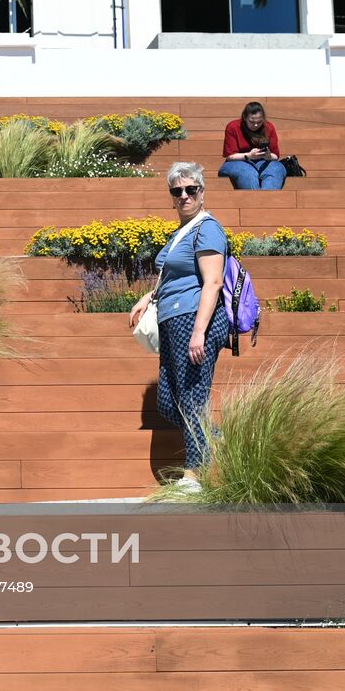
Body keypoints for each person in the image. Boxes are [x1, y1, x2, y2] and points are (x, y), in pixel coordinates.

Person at [129, 163, 230, 492]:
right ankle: (218, 439)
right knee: (168, 404)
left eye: (191, 190)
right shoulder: (180, 234)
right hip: (172, 321)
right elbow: (172, 277)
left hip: (194, 320)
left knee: (191, 398)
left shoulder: (208, 229)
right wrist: (148, 297)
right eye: (177, 191)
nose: (184, 196)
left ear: (202, 192)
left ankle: (195, 474)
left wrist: (199, 331)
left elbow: (212, 283)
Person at [219, 101, 286, 190]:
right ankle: (255, 202)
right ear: (245, 118)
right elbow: (230, 156)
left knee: (276, 168)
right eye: (252, 121)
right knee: (248, 171)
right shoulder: (233, 127)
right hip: (237, 162)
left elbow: (276, 156)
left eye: (259, 122)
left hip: (263, 161)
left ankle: (267, 201)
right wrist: (249, 156)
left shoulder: (269, 127)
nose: (255, 125)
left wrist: (268, 156)